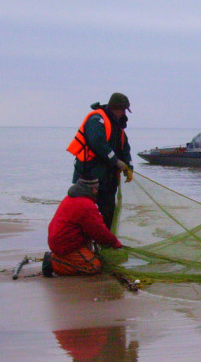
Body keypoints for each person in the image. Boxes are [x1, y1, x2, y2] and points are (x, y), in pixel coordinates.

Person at [67, 92, 134, 230]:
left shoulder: (118, 128)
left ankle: (104, 245)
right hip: (87, 177)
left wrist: (129, 167)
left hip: (107, 181)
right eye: (123, 110)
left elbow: (125, 149)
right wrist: (116, 161)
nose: (124, 114)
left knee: (107, 214)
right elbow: (98, 143)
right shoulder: (96, 120)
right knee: (82, 212)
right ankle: (80, 245)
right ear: (118, 108)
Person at [42, 177, 123, 277]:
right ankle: (52, 263)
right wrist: (115, 243)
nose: (97, 191)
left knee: (91, 256)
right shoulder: (86, 205)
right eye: (96, 189)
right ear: (92, 190)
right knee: (94, 266)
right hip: (65, 244)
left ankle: (61, 258)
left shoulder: (72, 198)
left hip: (63, 240)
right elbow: (99, 231)